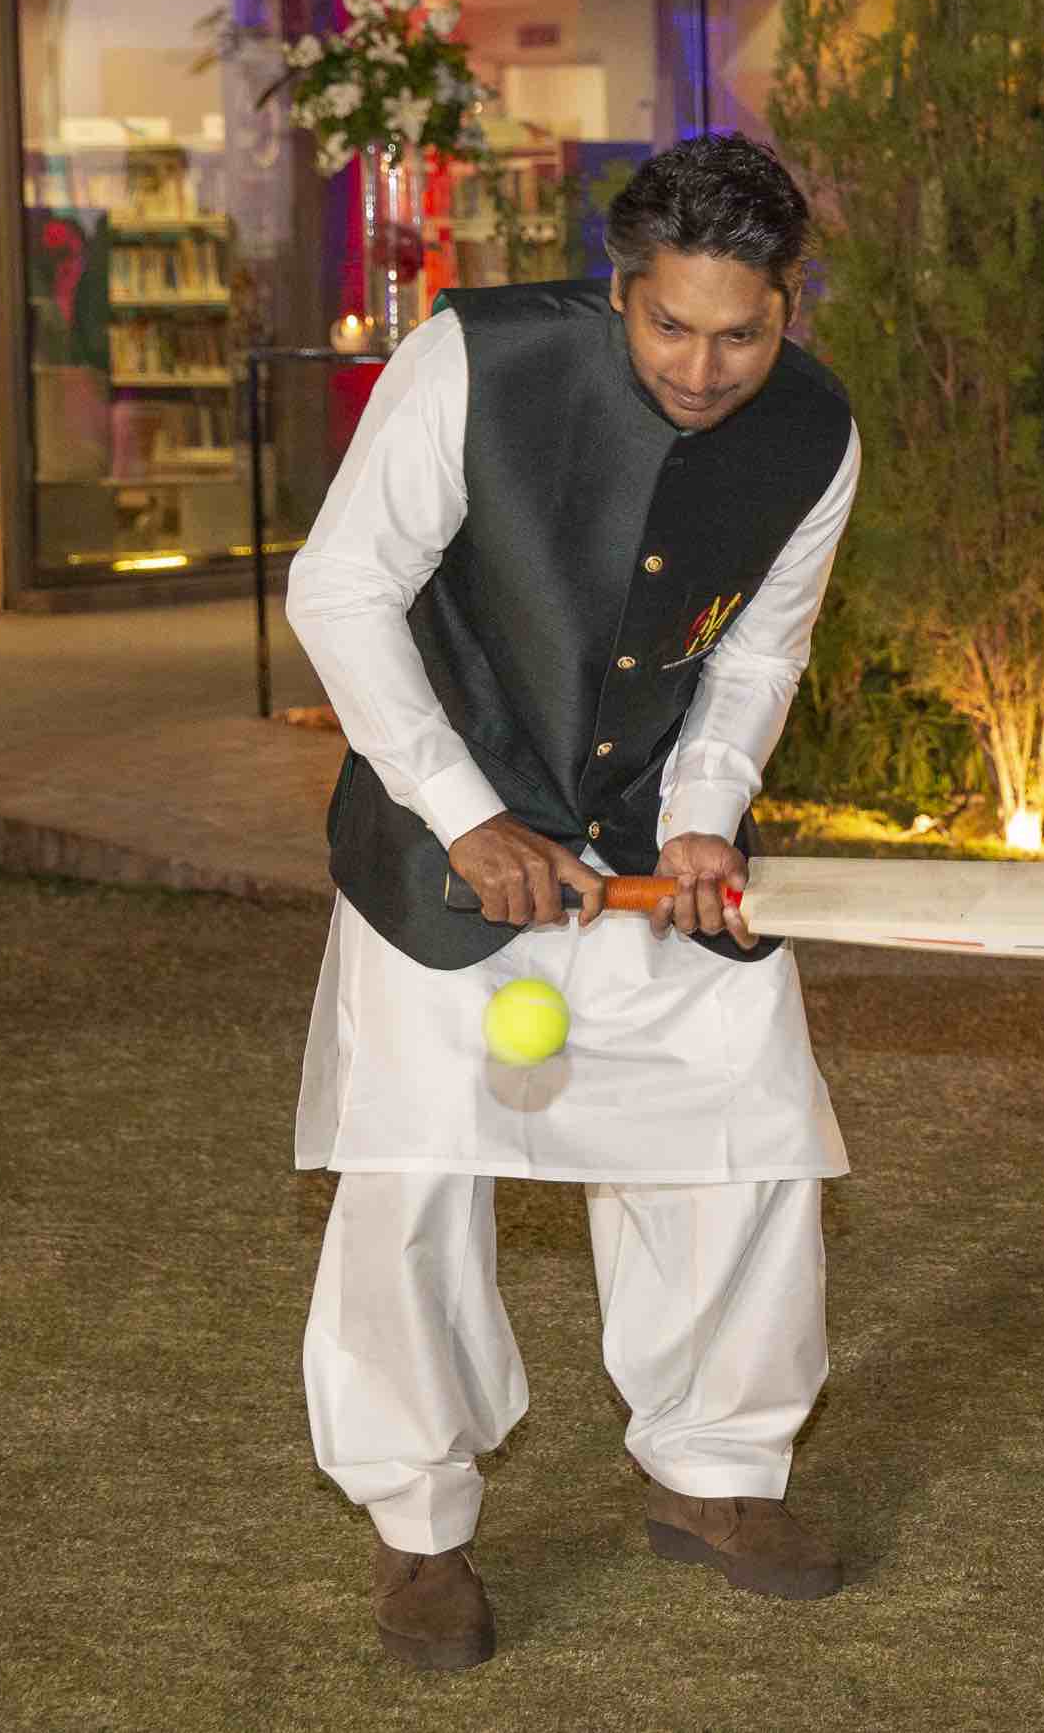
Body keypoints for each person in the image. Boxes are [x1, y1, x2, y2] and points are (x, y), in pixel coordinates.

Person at [288, 135, 863, 1670]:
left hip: (650, 848)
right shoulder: (471, 362)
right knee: (415, 1172)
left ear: (787, 306)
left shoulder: (816, 432)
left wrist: (703, 819)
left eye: (741, 332)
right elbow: (339, 589)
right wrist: (464, 811)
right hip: (444, 837)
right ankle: (420, 1523)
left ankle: (717, 1469)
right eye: (671, 323)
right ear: (621, 289)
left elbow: (759, 650)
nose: (702, 367)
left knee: (747, 1131)